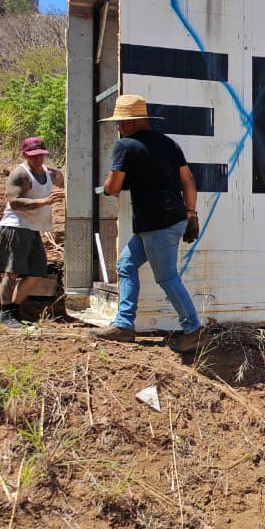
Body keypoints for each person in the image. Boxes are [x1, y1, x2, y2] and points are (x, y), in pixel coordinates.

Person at [91, 94, 204, 352]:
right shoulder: (168, 143)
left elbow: (113, 187)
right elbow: (188, 179)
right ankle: (123, 325)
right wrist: (191, 213)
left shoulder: (126, 146)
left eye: (119, 123)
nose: (118, 128)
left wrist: (108, 187)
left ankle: (193, 329)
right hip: (169, 219)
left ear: (129, 123)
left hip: (157, 223)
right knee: (126, 265)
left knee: (167, 278)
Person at [0, 137, 65, 328]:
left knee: (36, 272)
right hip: (16, 226)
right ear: (24, 154)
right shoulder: (20, 174)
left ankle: (13, 310)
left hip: (33, 228)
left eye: (41, 155)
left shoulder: (50, 173)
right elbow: (15, 202)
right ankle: (5, 313)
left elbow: (66, 182)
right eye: (33, 156)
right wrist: (44, 202)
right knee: (11, 273)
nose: (38, 159)